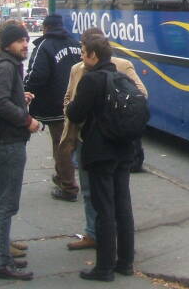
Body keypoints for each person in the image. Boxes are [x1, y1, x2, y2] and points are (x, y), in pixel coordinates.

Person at [58, 28, 146, 253]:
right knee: (90, 193)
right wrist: (69, 106)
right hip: (85, 139)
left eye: (83, 50)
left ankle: (106, 255)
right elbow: (69, 97)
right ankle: (94, 235)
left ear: (93, 54)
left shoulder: (121, 67)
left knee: (107, 201)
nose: (80, 55)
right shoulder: (77, 69)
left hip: (103, 144)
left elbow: (140, 95)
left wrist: (112, 114)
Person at [0, 20, 41, 281]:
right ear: (7, 44)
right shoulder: (5, 66)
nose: (25, 44)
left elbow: (0, 99)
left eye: (26, 39)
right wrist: (28, 121)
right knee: (5, 203)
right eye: (20, 40)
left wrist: (19, 97)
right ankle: (0, 263)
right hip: (7, 143)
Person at [24, 13, 82, 201]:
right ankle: (63, 177)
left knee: (61, 144)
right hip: (76, 102)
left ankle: (68, 187)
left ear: (45, 28)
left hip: (54, 104)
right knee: (72, 142)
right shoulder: (75, 44)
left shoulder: (45, 45)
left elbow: (37, 75)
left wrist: (26, 89)